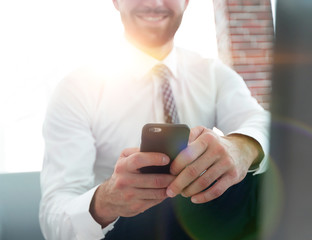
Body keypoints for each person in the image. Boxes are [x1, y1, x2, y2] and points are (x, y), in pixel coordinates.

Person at [39, 0, 270, 239]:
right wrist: (106, 201)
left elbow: (263, 123)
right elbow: (54, 217)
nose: (154, 2)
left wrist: (241, 147)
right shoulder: (77, 89)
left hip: (209, 220)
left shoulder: (213, 73)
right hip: (127, 230)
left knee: (267, 174)